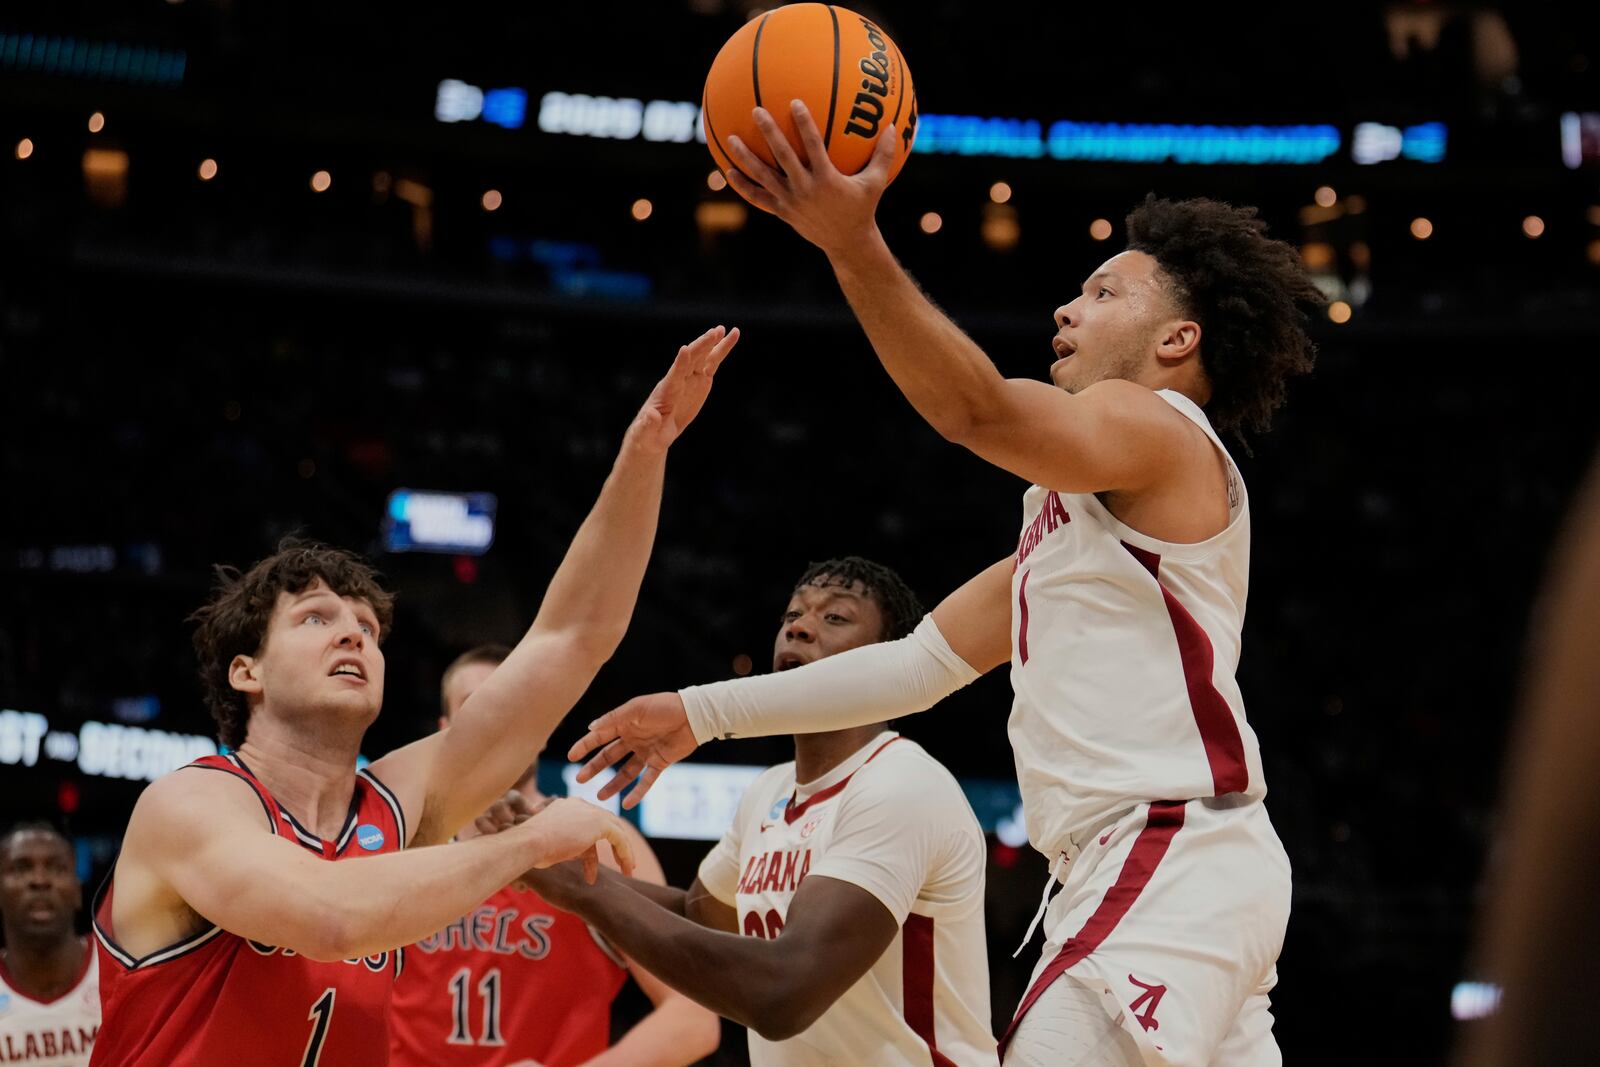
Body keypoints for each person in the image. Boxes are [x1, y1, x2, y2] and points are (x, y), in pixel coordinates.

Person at [572, 104, 1326, 1067]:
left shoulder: (1156, 424)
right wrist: (699, 711)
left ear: (1178, 340)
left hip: (1165, 852)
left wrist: (854, 243)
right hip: (1186, 865)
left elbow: (976, 409)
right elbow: (917, 666)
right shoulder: (1080, 531)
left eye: (1102, 293)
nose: (1067, 308)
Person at [86, 325, 740, 1066]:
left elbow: (573, 637)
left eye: (366, 626)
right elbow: (332, 915)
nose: (352, 636)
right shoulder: (191, 804)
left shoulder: (397, 803)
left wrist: (644, 450)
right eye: (315, 619)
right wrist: (526, 842)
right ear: (248, 672)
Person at [490, 557, 993, 1066]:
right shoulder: (769, 791)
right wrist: (553, 863)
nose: (798, 626)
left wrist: (584, 890)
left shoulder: (900, 784)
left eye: (835, 618)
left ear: (886, 663)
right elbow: (698, 916)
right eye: (792, 615)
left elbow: (784, 995)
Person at [389, 645, 720, 1067]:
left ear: (541, 726)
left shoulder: (599, 841)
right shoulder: (399, 838)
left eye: (512, 704)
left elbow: (693, 1017)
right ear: (445, 727)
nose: (496, 719)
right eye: (476, 706)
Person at [0, 823, 99, 1066]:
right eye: (21, 868)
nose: (40, 880)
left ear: (77, 891)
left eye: (57, 868)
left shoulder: (117, 971)